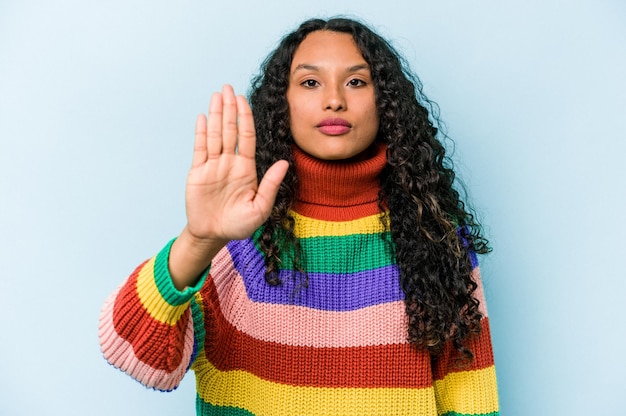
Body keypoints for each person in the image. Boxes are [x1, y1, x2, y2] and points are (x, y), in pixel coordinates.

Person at [99, 17, 499, 416]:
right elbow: (138, 357)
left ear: (387, 102)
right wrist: (198, 240)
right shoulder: (241, 240)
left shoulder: (434, 240)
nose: (334, 100)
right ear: (282, 103)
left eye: (356, 81)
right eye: (310, 82)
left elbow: (470, 399)